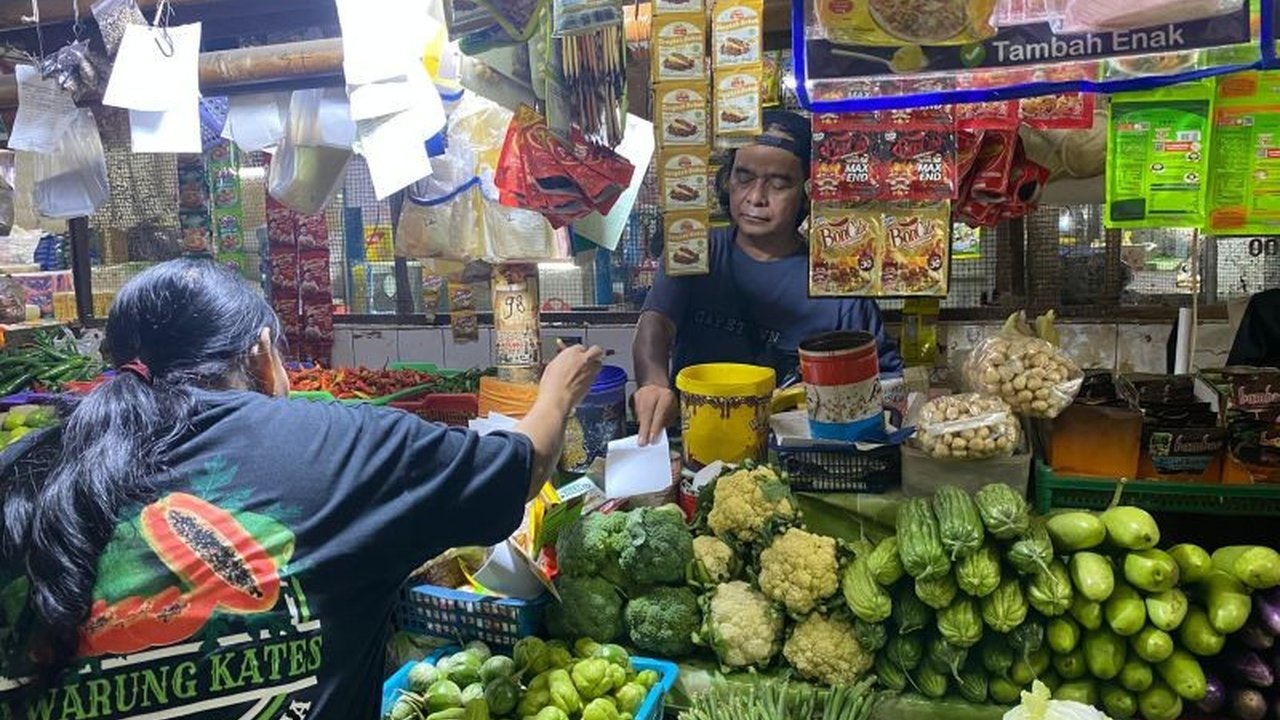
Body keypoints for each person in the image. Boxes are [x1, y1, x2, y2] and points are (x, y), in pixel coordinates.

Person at [0, 259, 603, 719]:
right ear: (263, 356)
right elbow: (522, 466)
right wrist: (556, 392)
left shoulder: (22, 468)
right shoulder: (339, 446)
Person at [633, 109, 904, 444]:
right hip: (694, 448)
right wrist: (653, 383)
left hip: (800, 459)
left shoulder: (835, 278)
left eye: (779, 184)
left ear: (807, 192)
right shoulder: (697, 251)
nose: (756, 198)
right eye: (744, 178)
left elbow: (888, 381)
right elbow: (656, 322)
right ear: (725, 180)